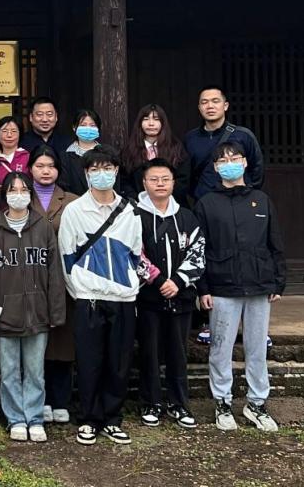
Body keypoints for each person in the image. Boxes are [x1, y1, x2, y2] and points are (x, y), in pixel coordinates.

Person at [196, 141, 285, 433]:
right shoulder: (207, 203)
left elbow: (275, 243)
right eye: (223, 160)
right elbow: (200, 249)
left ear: (245, 163)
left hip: (259, 284)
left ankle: (256, 403)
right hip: (222, 286)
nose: (229, 164)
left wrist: (278, 281)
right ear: (215, 167)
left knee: (257, 347)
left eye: (234, 158)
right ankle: (222, 402)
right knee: (220, 348)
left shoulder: (261, 199)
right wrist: (203, 288)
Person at [59, 145, 142, 446]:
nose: (101, 174)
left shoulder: (131, 210)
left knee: (119, 362)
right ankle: (89, 418)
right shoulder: (74, 211)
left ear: (116, 171)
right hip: (88, 298)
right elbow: (66, 255)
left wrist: (130, 285)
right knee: (89, 360)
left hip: (123, 298)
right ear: (86, 174)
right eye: (95, 169)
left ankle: (112, 418)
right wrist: (81, 291)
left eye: (107, 168)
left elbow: (136, 254)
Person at [0, 172, 65, 443]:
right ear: (4, 194)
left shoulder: (42, 227)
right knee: (9, 372)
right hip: (5, 313)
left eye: (24, 189)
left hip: (38, 312)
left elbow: (54, 272)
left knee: (35, 371)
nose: (18, 195)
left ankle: (35, 417)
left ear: (31, 193)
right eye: (12, 190)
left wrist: (55, 310)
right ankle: (16, 418)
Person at [135, 158, 205, 430]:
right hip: (148, 297)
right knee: (149, 352)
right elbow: (132, 253)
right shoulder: (134, 216)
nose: (160, 184)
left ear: (174, 183)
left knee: (178, 352)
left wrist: (177, 281)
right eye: (154, 179)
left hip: (181, 296)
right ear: (144, 183)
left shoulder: (187, 216)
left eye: (165, 179)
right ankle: (150, 402)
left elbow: (198, 252)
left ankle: (179, 404)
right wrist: (157, 280)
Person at [28, 146, 78, 425]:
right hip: (30, 278)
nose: (45, 171)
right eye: (40, 166)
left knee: (62, 340)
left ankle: (60, 400)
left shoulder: (72, 201)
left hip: (63, 278)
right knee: (36, 340)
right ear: (30, 169)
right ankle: (41, 399)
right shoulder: (20, 197)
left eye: (51, 166)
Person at [185, 85, 264, 201]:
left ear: (225, 106)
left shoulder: (243, 135)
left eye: (215, 101)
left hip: (240, 199)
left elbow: (257, 169)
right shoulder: (191, 138)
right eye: (204, 102)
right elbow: (187, 173)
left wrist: (248, 194)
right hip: (204, 202)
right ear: (199, 107)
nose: (210, 106)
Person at [121, 104, 190, 205]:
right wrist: (138, 200)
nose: (151, 123)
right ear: (140, 123)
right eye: (146, 119)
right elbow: (124, 181)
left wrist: (164, 199)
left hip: (172, 204)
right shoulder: (129, 150)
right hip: (139, 205)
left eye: (156, 119)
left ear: (163, 123)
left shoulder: (176, 148)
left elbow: (183, 179)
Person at [59, 108, 112, 197]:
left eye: (92, 125)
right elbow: (64, 186)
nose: (88, 128)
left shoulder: (108, 154)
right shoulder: (65, 157)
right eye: (83, 125)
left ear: (98, 128)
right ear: (74, 128)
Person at [0, 116, 30, 187]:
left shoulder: (28, 157)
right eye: (4, 131)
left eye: (14, 131)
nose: (9, 135)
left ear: (20, 134)